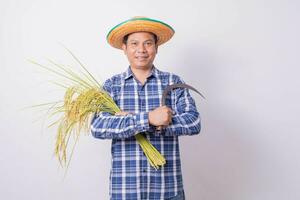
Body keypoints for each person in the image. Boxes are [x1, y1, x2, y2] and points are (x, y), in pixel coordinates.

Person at [91, 16, 201, 200]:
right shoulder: (111, 86)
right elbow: (97, 126)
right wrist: (148, 118)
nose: (141, 50)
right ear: (124, 48)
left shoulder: (173, 82)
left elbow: (194, 121)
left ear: (156, 48)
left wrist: (156, 121)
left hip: (168, 190)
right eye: (134, 43)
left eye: (148, 43)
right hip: (125, 191)